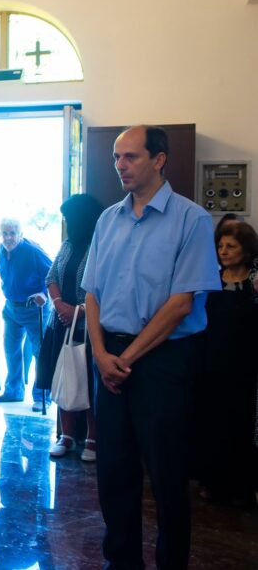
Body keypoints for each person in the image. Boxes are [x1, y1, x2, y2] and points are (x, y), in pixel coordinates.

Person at [82, 125, 220, 569]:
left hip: (162, 360)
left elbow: (181, 304)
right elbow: (92, 292)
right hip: (111, 356)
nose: (120, 165)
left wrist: (125, 358)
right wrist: (102, 355)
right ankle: (120, 562)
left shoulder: (191, 219)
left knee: (166, 474)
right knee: (114, 471)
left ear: (159, 159)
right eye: (116, 158)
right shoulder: (108, 219)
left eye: (131, 157)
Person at [35, 194, 105, 461]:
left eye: (68, 218)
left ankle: (93, 438)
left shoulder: (100, 245)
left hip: (89, 326)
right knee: (65, 378)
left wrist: (80, 310)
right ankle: (66, 435)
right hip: (62, 323)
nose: (65, 222)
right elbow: (51, 276)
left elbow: (104, 286)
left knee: (87, 380)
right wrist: (59, 304)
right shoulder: (66, 245)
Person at [197, 221, 258, 504]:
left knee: (241, 425)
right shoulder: (211, 280)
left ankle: (241, 487)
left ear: (246, 251)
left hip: (245, 367)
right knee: (211, 424)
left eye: (230, 246)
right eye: (220, 246)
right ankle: (211, 483)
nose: (223, 251)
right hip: (212, 363)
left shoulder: (254, 284)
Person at [0, 218, 53, 410]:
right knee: (11, 350)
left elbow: (53, 274)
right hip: (11, 308)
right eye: (4, 233)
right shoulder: (0, 251)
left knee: (40, 353)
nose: (8, 237)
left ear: (21, 234)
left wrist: (44, 293)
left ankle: (42, 395)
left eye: (12, 233)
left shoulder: (33, 251)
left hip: (35, 309)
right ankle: (14, 391)